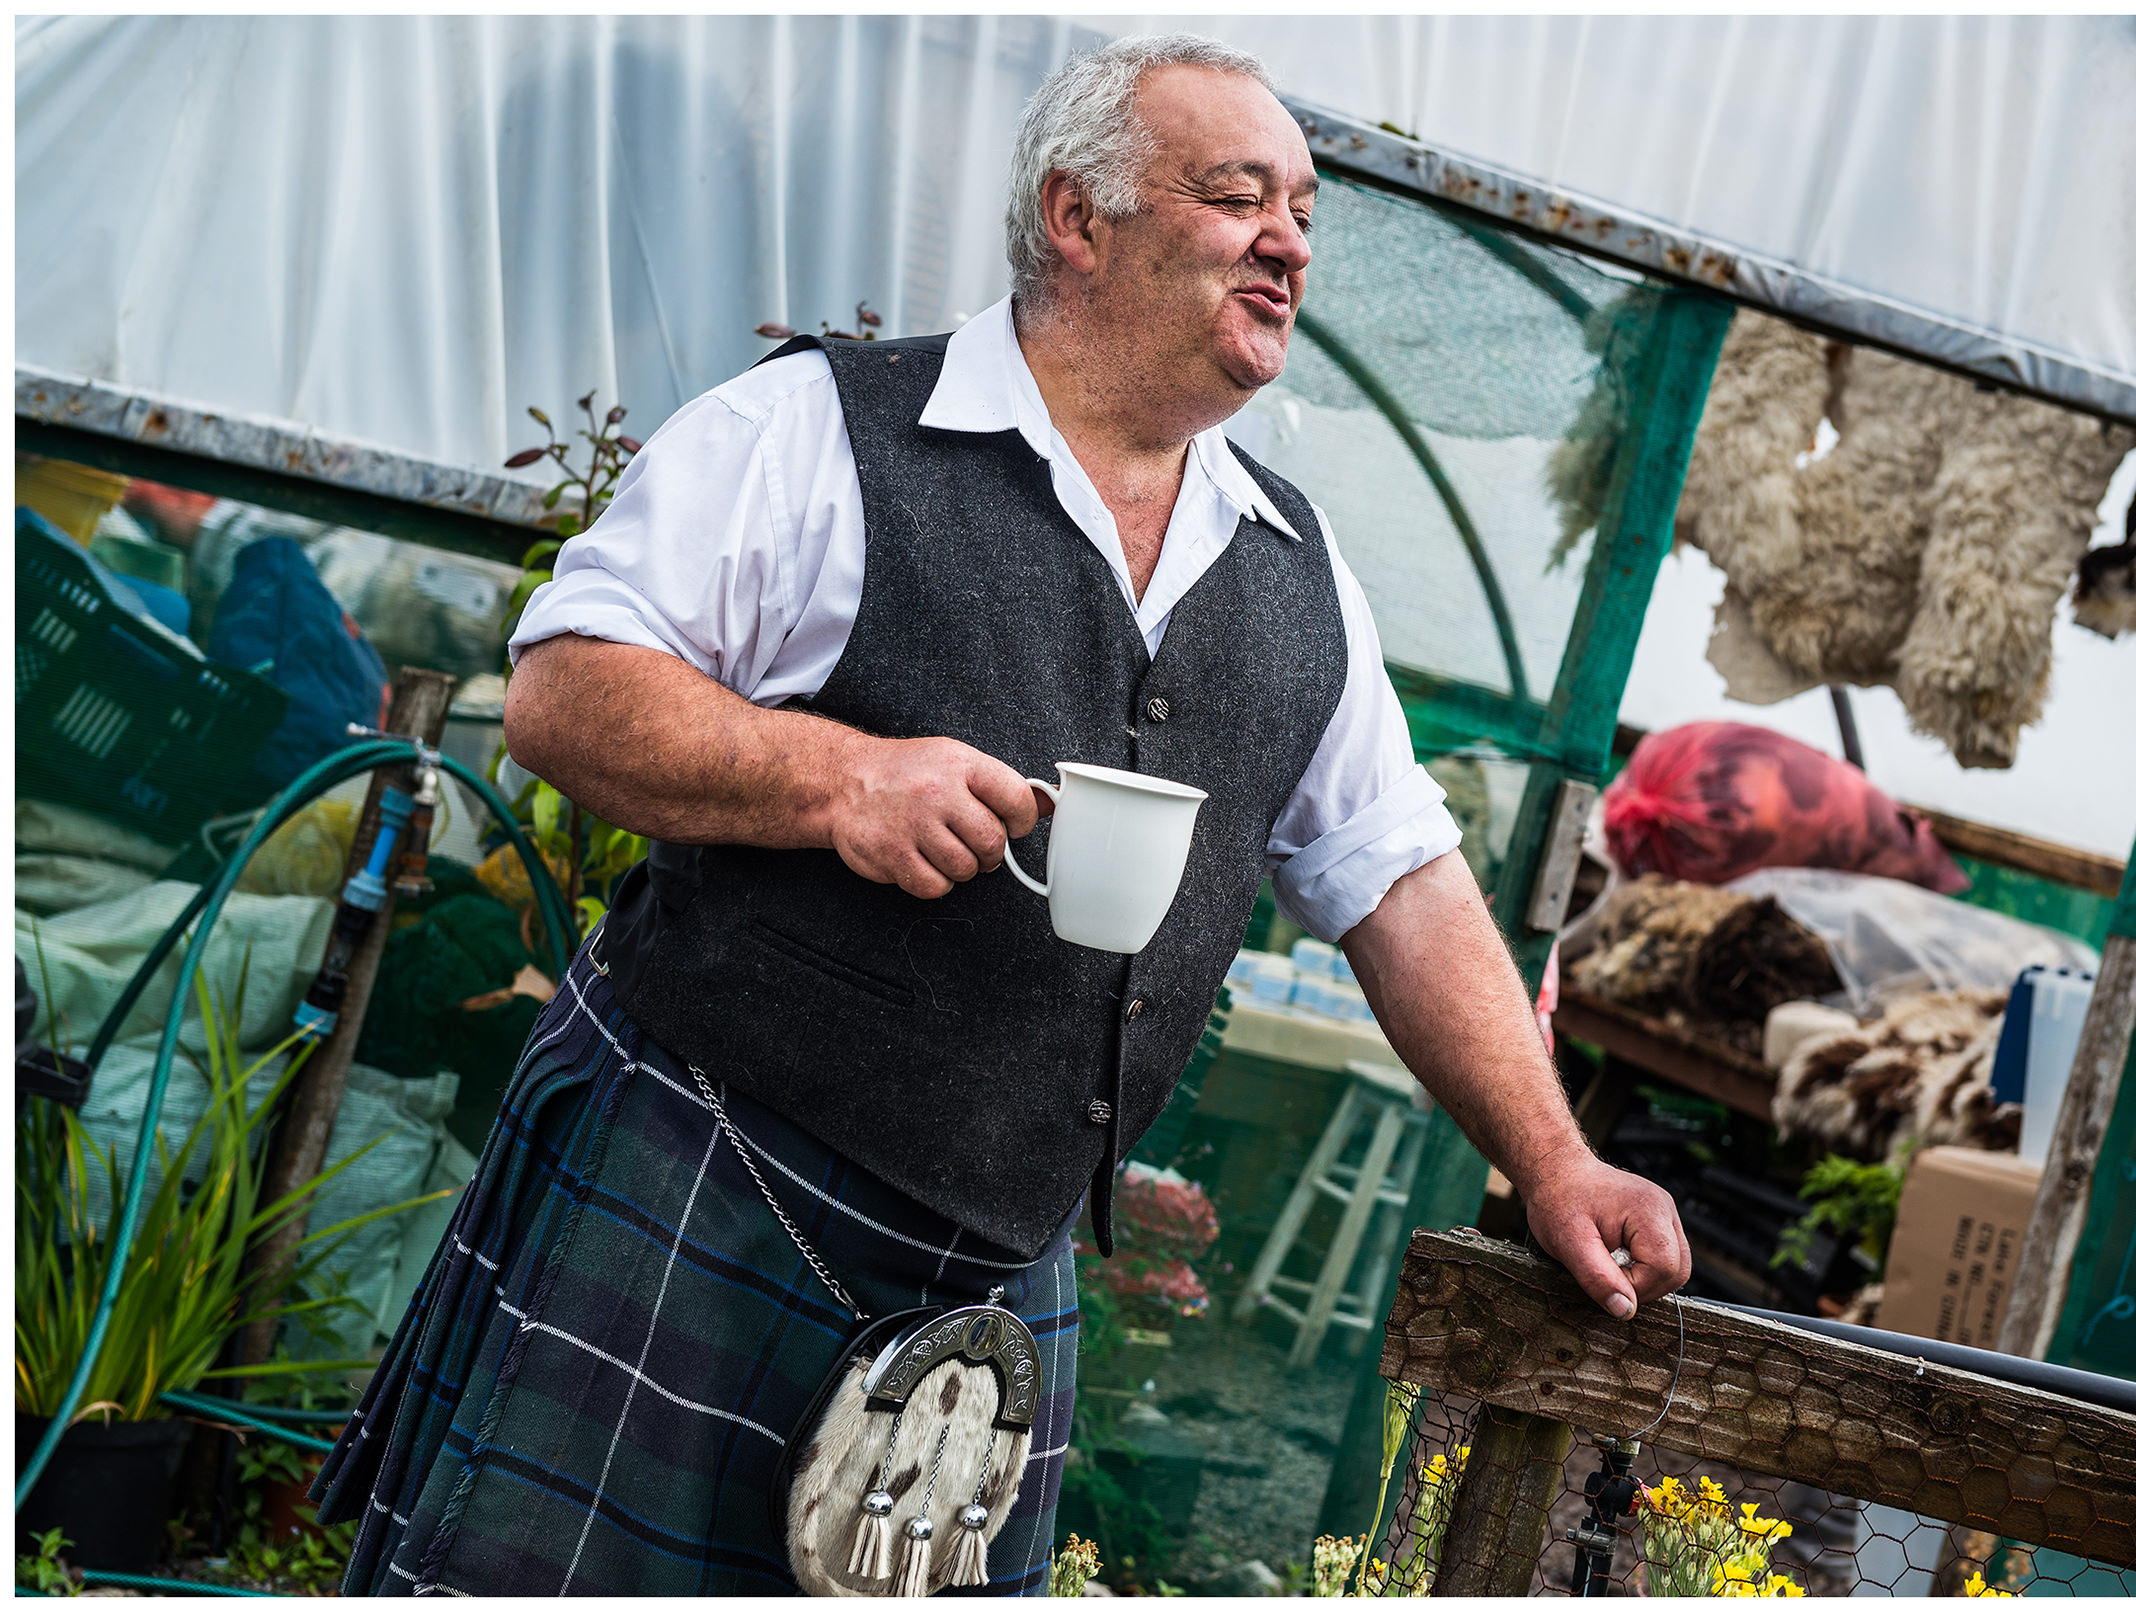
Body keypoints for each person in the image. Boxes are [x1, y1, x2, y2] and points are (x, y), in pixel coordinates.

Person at [313, 33, 1691, 1597]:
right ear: (1075, 219)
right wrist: (838, 779)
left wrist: (1557, 1162)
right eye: (1240, 195)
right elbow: (568, 693)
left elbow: (1400, 880)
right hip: (710, 1172)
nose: (1291, 241)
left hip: (994, 1277)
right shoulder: (822, 433)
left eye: (1305, 209)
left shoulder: (1297, 573)